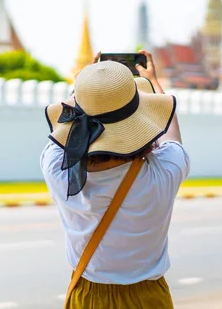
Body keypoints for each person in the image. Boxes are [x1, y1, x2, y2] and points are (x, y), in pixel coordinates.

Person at [40, 50, 190, 308]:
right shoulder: (164, 171)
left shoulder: (57, 169)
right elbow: (170, 133)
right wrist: (152, 81)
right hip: (149, 298)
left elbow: (63, 128)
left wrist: (86, 84)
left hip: (87, 297)